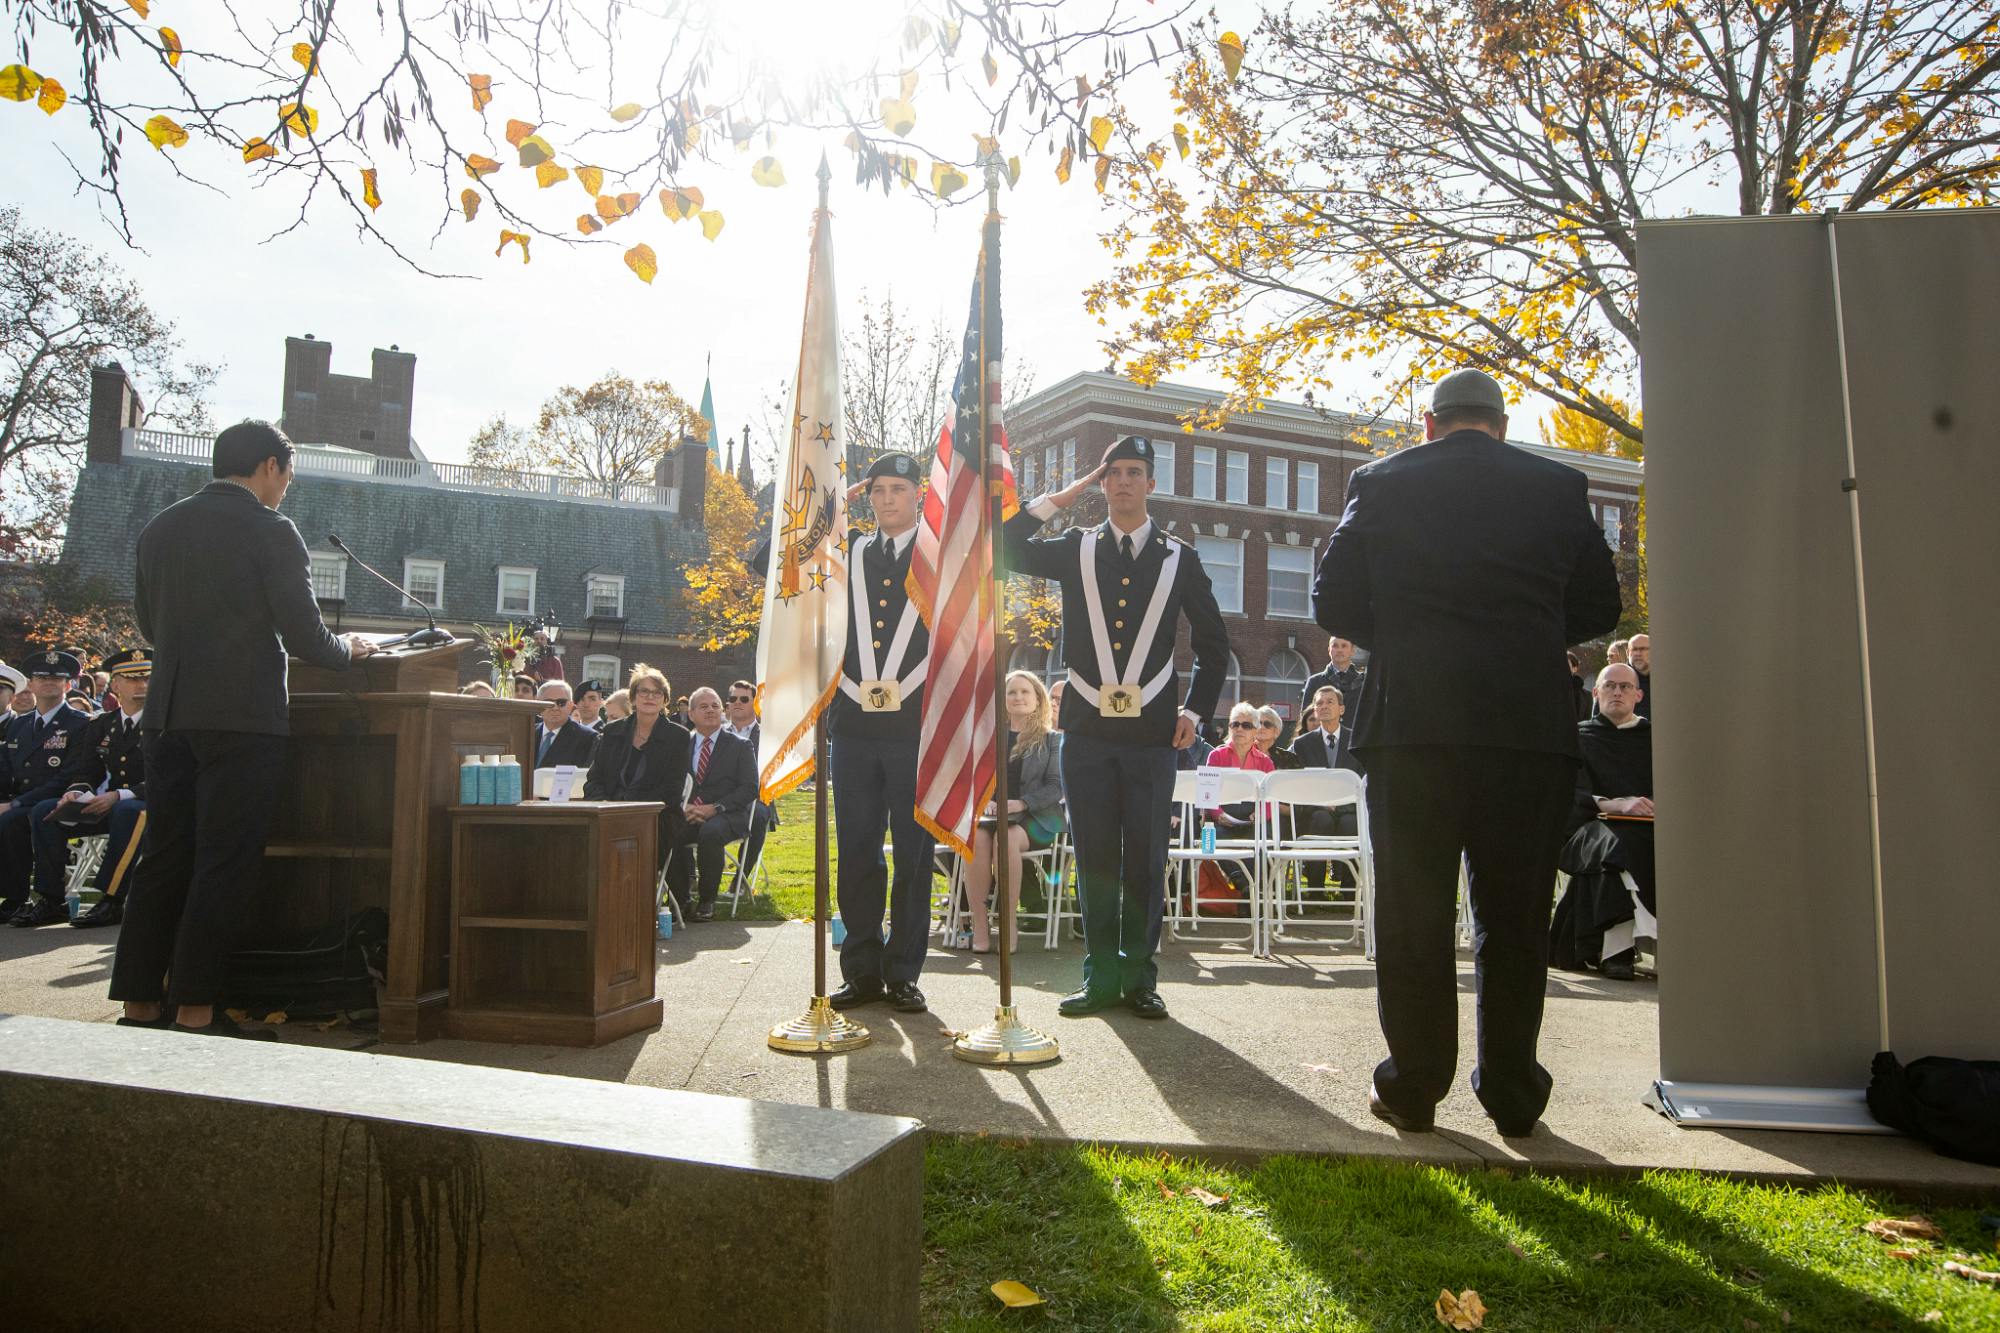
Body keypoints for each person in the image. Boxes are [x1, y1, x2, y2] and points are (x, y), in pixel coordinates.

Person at [1313, 367, 1622, 1138]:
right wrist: (1529, 635)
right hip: (1525, 728)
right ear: (1501, 426)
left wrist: (1408, 640)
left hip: (1414, 726)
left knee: (1413, 910)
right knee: (1516, 912)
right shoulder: (1559, 485)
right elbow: (1600, 603)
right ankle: (1514, 1092)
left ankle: (1413, 1085)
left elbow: (1332, 596)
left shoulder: (1379, 480)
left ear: (1429, 423)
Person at [110, 420, 377, 1038]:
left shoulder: (160, 528)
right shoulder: (271, 529)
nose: (286, 489)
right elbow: (305, 635)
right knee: (222, 862)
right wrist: (350, 650)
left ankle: (140, 1002)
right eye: (287, 475)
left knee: (164, 856)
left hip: (168, 716)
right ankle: (199, 1010)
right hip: (241, 719)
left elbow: (151, 628)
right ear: (267, 467)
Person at [1005, 435, 1231, 1020]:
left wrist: (1195, 712)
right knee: (1098, 857)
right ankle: (1100, 977)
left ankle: (1140, 978)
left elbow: (1213, 643)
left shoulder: (1180, 555)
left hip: (1155, 733)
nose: (1124, 482)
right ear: (1101, 484)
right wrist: (1061, 497)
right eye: (1113, 474)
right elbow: (1003, 545)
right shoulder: (1075, 547)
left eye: (1135, 472)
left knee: (1146, 860)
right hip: (1088, 731)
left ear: (1152, 483)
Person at [828, 452, 936, 1016]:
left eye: (899, 488)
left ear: (919, 494)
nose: (888, 498)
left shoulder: (943, 556)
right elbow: (772, 569)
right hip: (853, 726)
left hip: (915, 727)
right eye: (878, 490)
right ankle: (862, 970)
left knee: (914, 857)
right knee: (857, 851)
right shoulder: (846, 552)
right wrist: (831, 507)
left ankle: (904, 973)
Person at [22, 648, 153, 928]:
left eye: (147, 678)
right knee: (46, 811)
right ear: (115, 685)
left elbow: (169, 777)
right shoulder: (102, 724)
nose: (141, 685)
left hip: (151, 806)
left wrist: (119, 795)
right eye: (132, 679)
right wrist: (76, 792)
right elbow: (87, 771)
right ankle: (51, 898)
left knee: (129, 811)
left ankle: (112, 899)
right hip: (109, 804)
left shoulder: (165, 724)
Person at [1550, 663, 1655, 980]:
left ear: (1638, 694)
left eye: (1625, 687)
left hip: (1650, 825)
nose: (1617, 692)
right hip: (1590, 824)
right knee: (1613, 845)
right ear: (1596, 692)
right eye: (1610, 686)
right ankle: (1615, 950)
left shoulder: (1656, 739)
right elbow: (1567, 793)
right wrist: (1614, 804)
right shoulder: (1579, 737)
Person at [961, 671, 1065, 954]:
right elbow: (973, 779)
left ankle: (1009, 926)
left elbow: (1056, 787)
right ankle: (981, 930)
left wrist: (1023, 803)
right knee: (977, 840)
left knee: (1004, 840)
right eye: (1011, 692)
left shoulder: (1052, 740)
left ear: (1037, 699)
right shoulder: (987, 737)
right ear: (1002, 700)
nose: (1018, 697)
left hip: (1035, 819)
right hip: (991, 815)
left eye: (1025, 692)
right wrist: (985, 801)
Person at [0, 650, 94, 922]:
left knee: (25, 814)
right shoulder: (21, 725)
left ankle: (51, 899)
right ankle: (15, 898)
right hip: (24, 800)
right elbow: (9, 771)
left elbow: (68, 776)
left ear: (68, 685)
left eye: (57, 678)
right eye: (41, 677)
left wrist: (14, 803)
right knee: (10, 818)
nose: (48, 682)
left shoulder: (80, 723)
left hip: (62, 799)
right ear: (30, 684)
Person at [583, 664, 691, 887]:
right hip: (609, 813)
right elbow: (594, 780)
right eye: (644, 691)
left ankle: (631, 904)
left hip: (655, 817)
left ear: (664, 700)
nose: (650, 697)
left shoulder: (677, 736)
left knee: (626, 847)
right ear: (633, 697)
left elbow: (672, 791)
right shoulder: (612, 732)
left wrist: (632, 810)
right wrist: (605, 806)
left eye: (657, 693)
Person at [662, 687, 757, 921]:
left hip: (728, 814)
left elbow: (750, 788)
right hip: (688, 812)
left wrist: (715, 808)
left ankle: (707, 900)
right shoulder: (680, 745)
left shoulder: (740, 746)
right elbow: (668, 782)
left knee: (710, 832)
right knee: (666, 830)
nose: (711, 710)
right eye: (703, 706)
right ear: (691, 714)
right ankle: (680, 899)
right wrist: (683, 808)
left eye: (715, 706)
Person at [1287, 683, 1363, 889]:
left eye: (1330, 702)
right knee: (1321, 820)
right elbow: (1297, 784)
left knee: (1350, 824)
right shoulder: (1302, 744)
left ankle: (1349, 890)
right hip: (1315, 809)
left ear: (1342, 709)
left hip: (1349, 808)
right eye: (1319, 703)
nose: (1324, 706)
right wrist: (1321, 804)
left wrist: (1341, 805)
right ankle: (1315, 889)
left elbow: (1363, 780)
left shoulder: (1356, 740)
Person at [721, 678, 775, 897]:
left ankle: (740, 880)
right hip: (718, 796)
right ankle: (691, 879)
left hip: (755, 797)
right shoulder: (717, 733)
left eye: (744, 699)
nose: (737, 703)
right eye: (733, 698)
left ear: (755, 703)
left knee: (760, 815)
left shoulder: (768, 736)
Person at [1200, 701, 1276, 831]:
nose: (1239, 729)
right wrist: (1218, 814)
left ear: (1255, 731)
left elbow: (1271, 799)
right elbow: (1207, 792)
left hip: (1254, 820)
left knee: (1262, 839)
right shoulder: (1215, 756)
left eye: (1246, 725)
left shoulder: (1265, 761)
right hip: (1220, 818)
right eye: (1235, 724)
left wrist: (1261, 815)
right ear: (1230, 728)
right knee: (1215, 840)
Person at [531, 679, 600, 771]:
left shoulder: (588, 738)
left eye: (561, 703)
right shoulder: (527, 733)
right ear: (538, 704)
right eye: (549, 703)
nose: (555, 708)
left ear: (571, 705)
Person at [1300, 636, 1366, 722]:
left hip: (1355, 734)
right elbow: (1306, 717)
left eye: (1344, 646)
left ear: (1353, 650)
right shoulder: (1314, 682)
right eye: (1335, 646)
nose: (1339, 650)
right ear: (1329, 650)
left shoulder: (1364, 682)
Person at [1254, 705, 1303, 771]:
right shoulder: (1243, 754)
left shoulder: (1290, 759)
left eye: (1267, 724)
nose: (1261, 727)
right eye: (1258, 724)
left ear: (1276, 731)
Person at [1627, 633, 1652, 718]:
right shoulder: (1616, 678)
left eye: (1643, 649)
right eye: (1634, 649)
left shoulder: (1665, 678)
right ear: (1628, 653)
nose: (1638, 653)